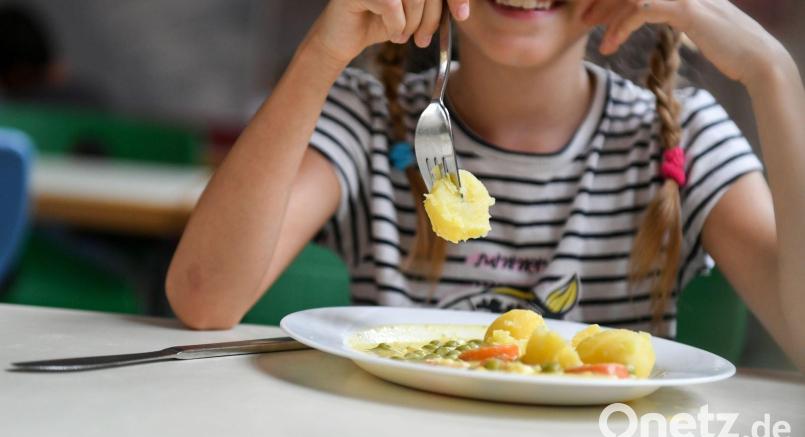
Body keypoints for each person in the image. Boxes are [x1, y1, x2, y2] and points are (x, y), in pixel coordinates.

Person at [165, 0, 805, 370]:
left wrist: (771, 72)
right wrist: (320, 56)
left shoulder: (681, 134)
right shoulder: (368, 116)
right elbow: (203, 300)